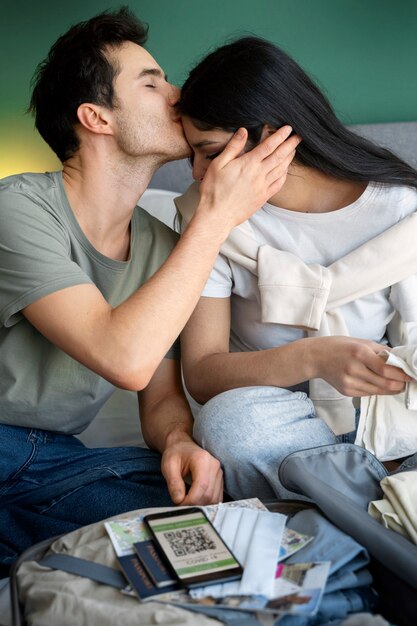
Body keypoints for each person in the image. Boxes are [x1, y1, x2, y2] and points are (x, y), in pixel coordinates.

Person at [0, 12, 300, 575]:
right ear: (96, 118)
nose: (178, 94)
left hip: (54, 461)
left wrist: (177, 441)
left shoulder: (163, 246)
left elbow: (159, 395)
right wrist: (215, 218)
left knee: (221, 525)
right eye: (151, 82)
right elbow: (125, 359)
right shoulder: (17, 208)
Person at [177, 36, 417, 501]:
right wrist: (314, 358)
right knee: (230, 426)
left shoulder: (400, 214)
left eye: (209, 152)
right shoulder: (208, 218)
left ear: (273, 137)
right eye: (189, 156)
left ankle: (357, 492)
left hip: (378, 413)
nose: (197, 174)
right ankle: (380, 502)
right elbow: (203, 374)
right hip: (275, 417)